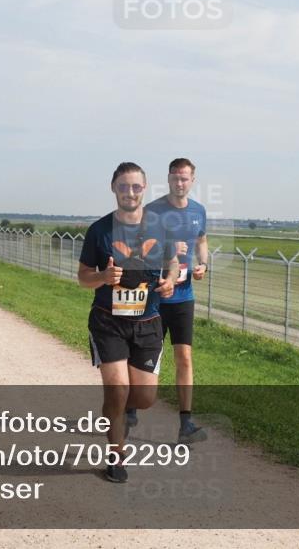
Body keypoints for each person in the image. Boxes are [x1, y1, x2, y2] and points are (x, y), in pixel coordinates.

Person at [78, 162, 178, 483]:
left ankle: (115, 408)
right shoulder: (99, 230)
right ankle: (116, 457)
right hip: (109, 322)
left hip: (148, 321)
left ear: (144, 189)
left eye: (136, 187)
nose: (130, 192)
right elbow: (83, 278)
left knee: (145, 398)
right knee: (118, 388)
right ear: (113, 188)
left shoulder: (161, 227)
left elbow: (173, 264)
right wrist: (103, 276)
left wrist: (170, 281)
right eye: (124, 186)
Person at [128, 158, 209, 444]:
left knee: (184, 356)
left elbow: (201, 241)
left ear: (192, 180)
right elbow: (139, 248)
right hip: (155, 294)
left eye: (185, 178)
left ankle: (186, 423)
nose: (180, 183)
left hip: (184, 296)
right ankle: (130, 409)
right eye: (175, 178)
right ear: (169, 179)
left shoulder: (199, 211)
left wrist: (203, 265)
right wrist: (169, 250)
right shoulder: (153, 211)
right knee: (143, 356)